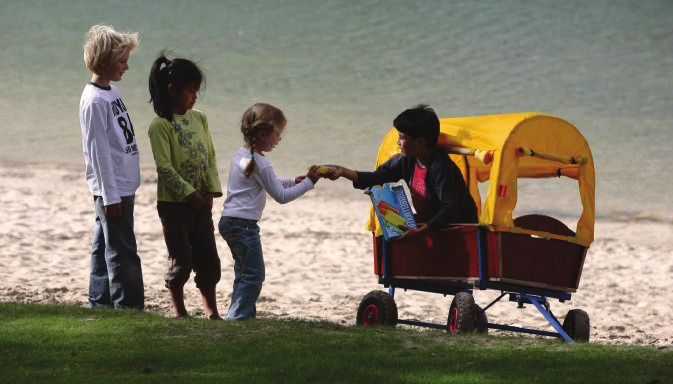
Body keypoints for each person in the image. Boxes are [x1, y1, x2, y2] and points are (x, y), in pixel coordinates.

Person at [219, 103, 322, 320]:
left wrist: (294, 180)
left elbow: (268, 183)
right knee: (254, 275)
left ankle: (238, 315)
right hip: (244, 226)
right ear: (263, 134)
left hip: (230, 222)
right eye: (278, 134)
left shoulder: (242, 155)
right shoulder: (261, 164)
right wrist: (309, 183)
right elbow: (281, 196)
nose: (279, 139)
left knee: (244, 274)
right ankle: (238, 319)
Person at [326, 104, 478, 239]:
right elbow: (378, 177)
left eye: (402, 137)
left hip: (460, 234)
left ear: (420, 141)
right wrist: (342, 172)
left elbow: (450, 210)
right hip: (433, 230)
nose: (398, 142)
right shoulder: (409, 160)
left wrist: (420, 232)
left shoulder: (440, 167)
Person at [148, 53, 223, 319]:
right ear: (172, 90)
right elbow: (164, 168)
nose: (194, 97)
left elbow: (210, 156)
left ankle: (211, 310)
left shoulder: (200, 118)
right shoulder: (160, 126)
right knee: (181, 259)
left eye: (196, 91)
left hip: (203, 202)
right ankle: (180, 312)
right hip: (174, 205)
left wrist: (211, 192)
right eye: (190, 91)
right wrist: (190, 195)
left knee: (209, 260)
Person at [78, 25, 144, 310]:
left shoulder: (111, 92)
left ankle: (100, 300)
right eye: (122, 61)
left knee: (104, 243)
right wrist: (110, 195)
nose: (127, 67)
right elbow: (99, 153)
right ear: (103, 61)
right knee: (122, 250)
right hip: (113, 188)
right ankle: (127, 306)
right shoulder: (94, 101)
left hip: (122, 184)